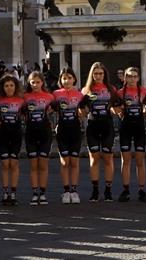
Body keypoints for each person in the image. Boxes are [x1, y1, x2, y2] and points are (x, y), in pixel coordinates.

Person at [80, 62, 118, 202]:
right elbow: (82, 111)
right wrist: (81, 109)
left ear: (105, 74)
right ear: (92, 75)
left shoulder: (111, 89)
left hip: (107, 125)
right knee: (94, 159)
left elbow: (116, 107)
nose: (98, 76)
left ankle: (108, 190)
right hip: (92, 126)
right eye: (95, 73)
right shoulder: (86, 90)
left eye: (100, 73)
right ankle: (95, 190)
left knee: (108, 158)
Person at [52, 69, 85, 204]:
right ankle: (66, 191)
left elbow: (84, 111)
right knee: (65, 162)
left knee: (74, 162)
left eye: (69, 78)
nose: (67, 81)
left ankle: (74, 191)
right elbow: (49, 108)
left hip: (76, 131)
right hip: (62, 131)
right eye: (64, 78)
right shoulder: (55, 94)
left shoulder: (80, 94)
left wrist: (83, 111)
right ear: (61, 80)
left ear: (74, 79)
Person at [116, 67, 146, 202]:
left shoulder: (144, 91)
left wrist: (145, 112)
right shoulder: (119, 92)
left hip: (139, 128)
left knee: (140, 161)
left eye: (135, 76)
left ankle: (141, 190)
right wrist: (119, 112)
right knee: (126, 160)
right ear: (125, 77)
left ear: (138, 78)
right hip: (125, 128)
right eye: (129, 76)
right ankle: (126, 190)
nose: (132, 79)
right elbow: (114, 107)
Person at [0, 74, 25, 205]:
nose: (9, 88)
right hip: (3, 136)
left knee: (14, 163)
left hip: (16, 135)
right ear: (3, 88)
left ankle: (13, 192)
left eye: (12, 85)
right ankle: (5, 192)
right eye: (6, 86)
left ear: (15, 86)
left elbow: (25, 113)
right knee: (5, 164)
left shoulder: (21, 101)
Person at [23, 71, 54, 205]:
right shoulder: (25, 97)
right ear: (29, 83)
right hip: (30, 133)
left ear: (42, 82)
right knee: (33, 165)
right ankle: (35, 192)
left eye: (38, 82)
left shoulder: (49, 97)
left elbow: (56, 108)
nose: (35, 84)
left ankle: (43, 193)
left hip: (45, 133)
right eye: (32, 82)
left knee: (43, 164)